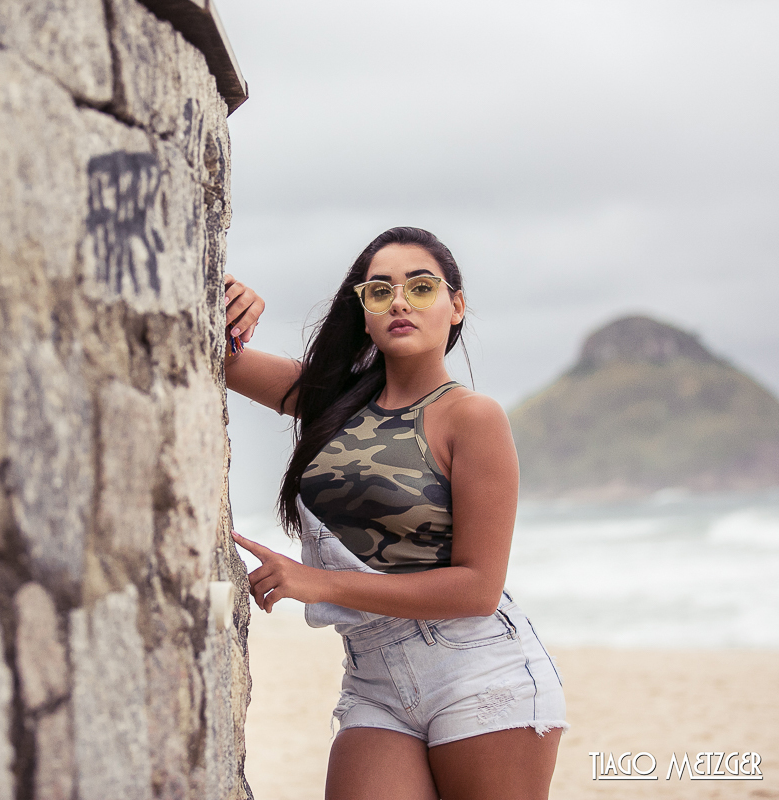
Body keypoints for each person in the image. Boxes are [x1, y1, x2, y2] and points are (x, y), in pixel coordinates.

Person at [223, 226, 567, 800]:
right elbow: (215, 355)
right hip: (373, 680)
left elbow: (478, 588)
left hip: (479, 672)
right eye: (379, 291)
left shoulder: (472, 417)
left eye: (421, 287)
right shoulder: (330, 400)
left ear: (456, 306)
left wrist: (314, 582)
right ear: (363, 312)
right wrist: (231, 301)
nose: (400, 301)